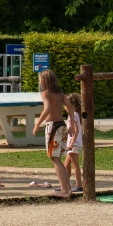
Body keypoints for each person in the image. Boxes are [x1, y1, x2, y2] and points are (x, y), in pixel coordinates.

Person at [31, 70, 82, 199]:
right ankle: (68, 189)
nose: (39, 82)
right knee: (58, 158)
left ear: (44, 81)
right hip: (62, 125)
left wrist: (37, 124)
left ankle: (64, 190)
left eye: (40, 80)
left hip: (53, 126)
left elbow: (47, 109)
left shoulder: (46, 94)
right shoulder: (60, 94)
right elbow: (71, 107)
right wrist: (70, 124)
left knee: (55, 159)